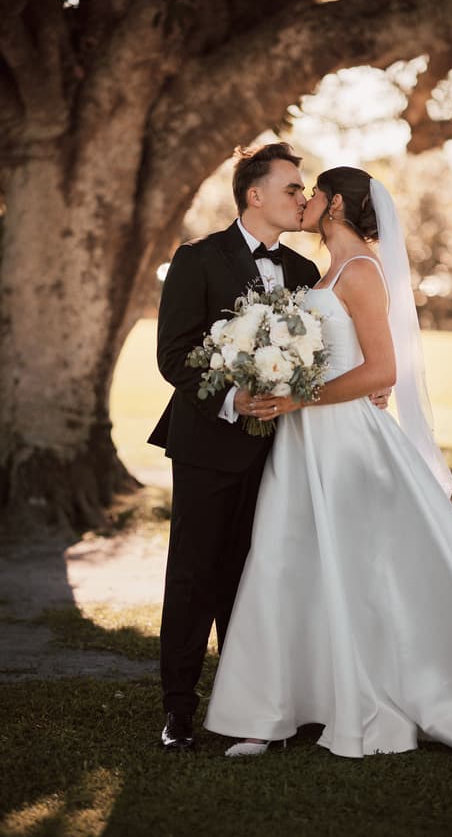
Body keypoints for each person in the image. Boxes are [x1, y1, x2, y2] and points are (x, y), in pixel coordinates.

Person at [204, 167, 452, 779]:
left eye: (313, 194)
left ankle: (362, 700)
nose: (304, 201)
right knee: (286, 560)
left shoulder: (360, 272)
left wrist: (297, 398)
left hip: (342, 442)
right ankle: (269, 713)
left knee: (356, 573)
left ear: (337, 203)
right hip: (302, 440)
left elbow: (381, 373)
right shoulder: (323, 272)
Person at [148, 142, 321, 750]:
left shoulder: (303, 274)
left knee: (260, 577)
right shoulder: (197, 258)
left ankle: (253, 707)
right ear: (255, 195)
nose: (303, 198)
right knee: (195, 576)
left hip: (282, 451)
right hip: (207, 447)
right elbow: (173, 355)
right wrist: (231, 400)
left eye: (303, 190)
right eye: (293, 188)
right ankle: (178, 710)